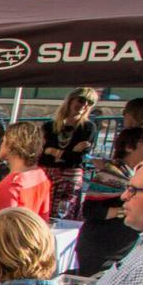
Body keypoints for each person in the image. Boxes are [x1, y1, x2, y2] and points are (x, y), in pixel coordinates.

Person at [73, 126, 143, 276]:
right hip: (102, 248)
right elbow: (90, 210)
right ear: (129, 146)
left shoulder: (135, 174)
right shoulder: (111, 174)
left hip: (119, 248)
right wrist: (126, 211)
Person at [39, 87, 98, 221]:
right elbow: (42, 153)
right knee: (42, 212)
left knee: (64, 214)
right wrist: (69, 152)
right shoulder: (50, 126)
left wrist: (53, 151)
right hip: (47, 174)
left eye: (90, 102)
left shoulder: (88, 128)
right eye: (81, 100)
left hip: (70, 177)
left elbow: (78, 158)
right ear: (71, 100)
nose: (84, 105)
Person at [0, 122, 51, 220]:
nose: (0, 144)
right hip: (33, 233)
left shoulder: (11, 185)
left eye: (4, 140)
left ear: (11, 146)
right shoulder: (40, 176)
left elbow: (5, 228)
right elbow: (43, 219)